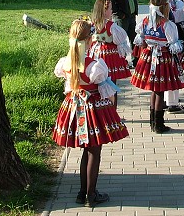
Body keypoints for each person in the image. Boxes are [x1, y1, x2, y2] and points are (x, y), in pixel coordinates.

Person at [53, 19, 129, 206]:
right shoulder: (95, 65)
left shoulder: (65, 63)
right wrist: (111, 110)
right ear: (89, 41)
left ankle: (82, 192)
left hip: (73, 106)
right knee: (94, 151)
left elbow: (68, 86)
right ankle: (91, 194)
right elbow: (106, 91)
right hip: (93, 108)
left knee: (85, 151)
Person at [131, 0, 184, 133]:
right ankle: (159, 124)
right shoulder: (168, 25)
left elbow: (140, 41)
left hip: (149, 57)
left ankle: (153, 122)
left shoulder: (145, 21)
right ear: (165, 7)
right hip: (163, 58)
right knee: (160, 90)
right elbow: (174, 47)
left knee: (154, 90)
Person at [153, 0, 184, 114]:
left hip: (157, 52)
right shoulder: (165, 8)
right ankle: (171, 103)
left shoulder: (154, 9)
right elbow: (173, 20)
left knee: (163, 79)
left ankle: (165, 104)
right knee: (172, 74)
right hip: (168, 48)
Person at [90, 0, 132, 108]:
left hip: (96, 55)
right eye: (110, 9)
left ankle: (102, 111)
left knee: (99, 84)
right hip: (109, 56)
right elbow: (120, 41)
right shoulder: (111, 26)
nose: (112, 11)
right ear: (104, 11)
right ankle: (113, 113)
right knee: (111, 85)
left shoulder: (92, 25)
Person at [106, 0, 138, 65]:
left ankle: (135, 61)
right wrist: (120, 14)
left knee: (134, 39)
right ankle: (122, 62)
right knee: (121, 41)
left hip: (131, 16)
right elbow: (110, 3)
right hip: (121, 18)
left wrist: (135, 11)